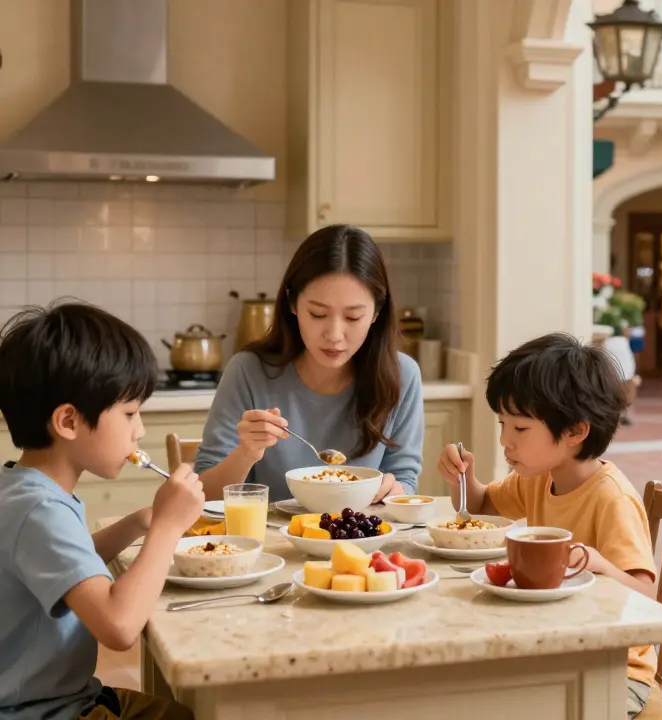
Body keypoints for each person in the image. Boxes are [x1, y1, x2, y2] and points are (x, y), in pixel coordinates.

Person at [434, 333, 657, 719]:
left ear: (574, 431)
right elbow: (483, 504)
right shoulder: (539, 477)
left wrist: (599, 564)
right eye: (503, 423)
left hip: (614, 672)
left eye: (520, 429)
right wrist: (462, 480)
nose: (505, 441)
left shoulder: (611, 499)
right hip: (561, 650)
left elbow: (645, 595)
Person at [0, 302, 204, 720]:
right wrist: (165, 527)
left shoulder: (25, 489)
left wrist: (138, 522)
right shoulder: (39, 508)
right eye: (129, 413)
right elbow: (119, 627)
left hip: (62, 698)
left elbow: (65, 569)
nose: (140, 430)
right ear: (69, 421)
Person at [195, 224, 424, 502]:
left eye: (353, 317)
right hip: (268, 542)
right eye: (317, 314)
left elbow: (405, 480)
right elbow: (204, 494)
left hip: (359, 542)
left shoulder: (402, 376)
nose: (334, 336)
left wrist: (396, 489)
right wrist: (246, 453)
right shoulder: (248, 372)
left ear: (376, 312)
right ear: (292, 303)